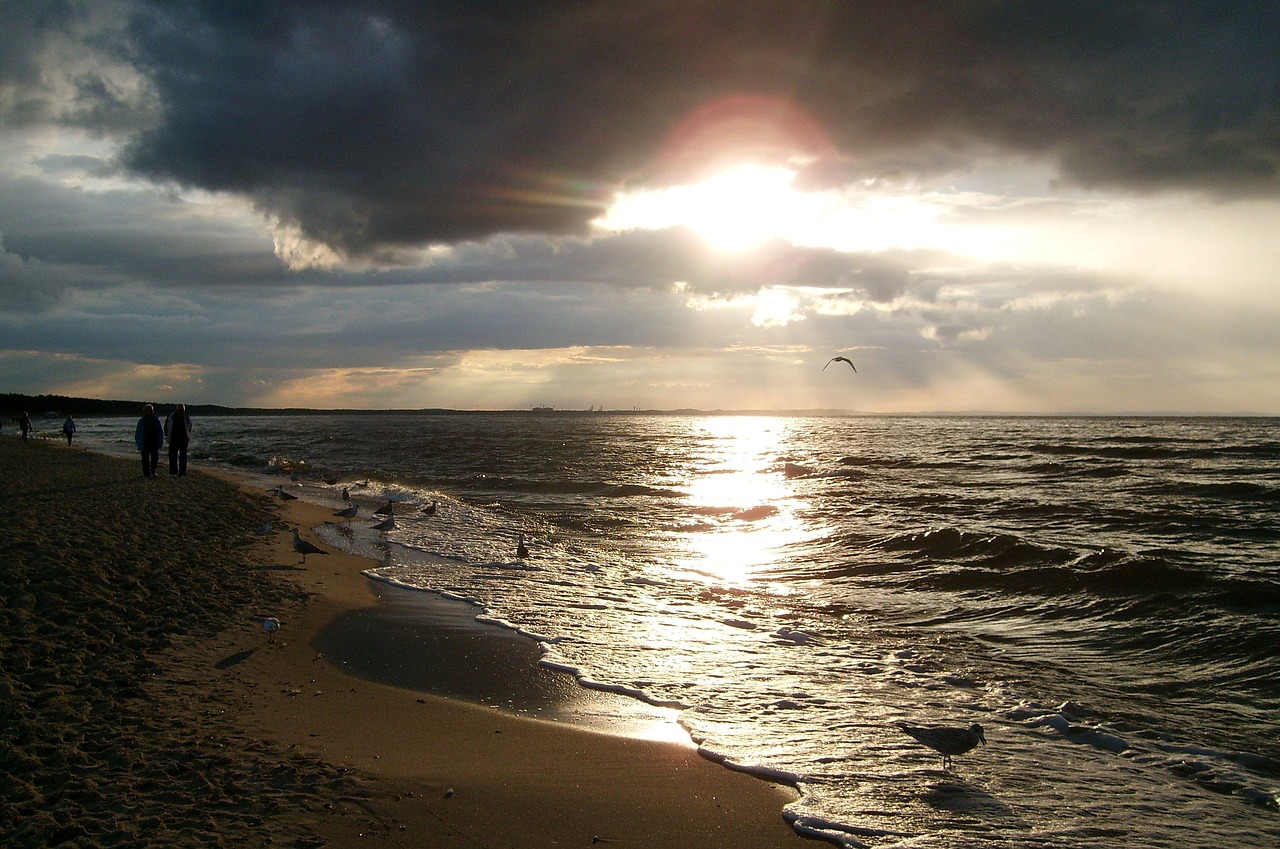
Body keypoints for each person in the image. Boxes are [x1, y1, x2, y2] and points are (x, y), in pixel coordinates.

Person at [135, 404, 164, 477]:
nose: (151, 412)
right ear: (145, 411)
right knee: (145, 459)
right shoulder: (142, 421)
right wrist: (139, 443)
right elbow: (138, 433)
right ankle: (146, 473)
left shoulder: (156, 420)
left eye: (152, 410)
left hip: (154, 442)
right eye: (149, 410)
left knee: (155, 458)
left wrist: (160, 442)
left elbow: (160, 431)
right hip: (145, 442)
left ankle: (153, 471)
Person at [164, 404, 193, 476]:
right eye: (179, 410)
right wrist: (167, 435)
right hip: (173, 438)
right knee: (172, 456)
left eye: (182, 410)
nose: (181, 412)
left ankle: (182, 472)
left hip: (183, 439)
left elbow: (189, 426)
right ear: (176, 410)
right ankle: (173, 472)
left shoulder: (186, 417)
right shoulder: (171, 417)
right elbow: (166, 427)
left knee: (183, 456)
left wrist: (187, 435)